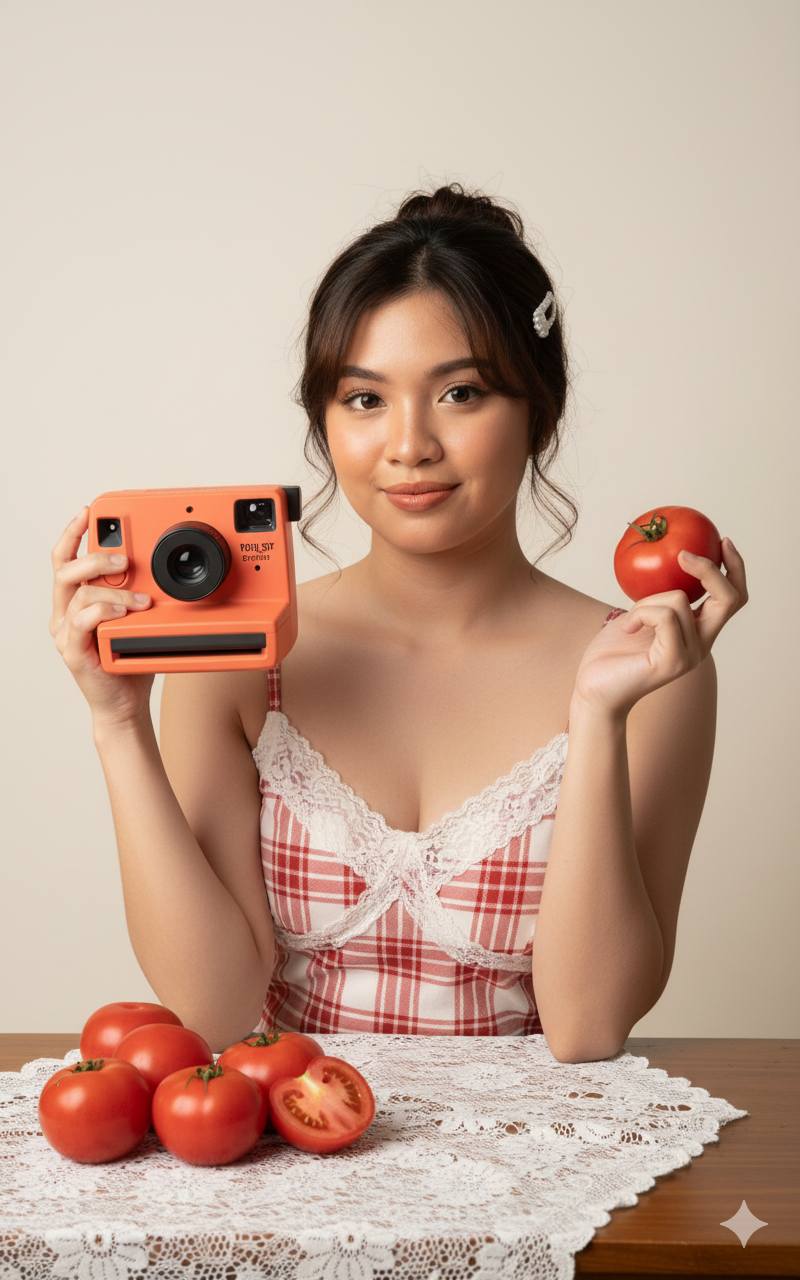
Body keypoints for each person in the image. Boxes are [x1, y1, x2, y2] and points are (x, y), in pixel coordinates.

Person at [49, 183, 748, 1059]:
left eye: (461, 394)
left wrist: (601, 718)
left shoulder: (647, 667)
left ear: (539, 411)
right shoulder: (242, 656)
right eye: (365, 399)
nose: (409, 445)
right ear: (326, 422)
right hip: (295, 1153)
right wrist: (117, 725)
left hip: (544, 1173)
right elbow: (215, 1010)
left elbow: (587, 1027)